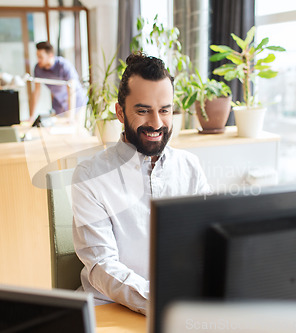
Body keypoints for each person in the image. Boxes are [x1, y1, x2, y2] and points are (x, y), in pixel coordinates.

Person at [71, 53, 211, 315]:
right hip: (111, 308)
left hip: (182, 308)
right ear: (120, 113)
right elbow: (102, 265)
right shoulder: (89, 175)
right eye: (143, 110)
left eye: (164, 110)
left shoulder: (190, 167)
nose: (156, 123)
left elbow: (207, 243)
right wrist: (162, 303)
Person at [30, 41, 86, 119]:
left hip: (76, 103)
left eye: (41, 57)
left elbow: (71, 91)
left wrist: (70, 116)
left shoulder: (64, 65)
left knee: (74, 127)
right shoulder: (38, 69)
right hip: (60, 104)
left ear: (50, 55)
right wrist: (31, 116)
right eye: (37, 57)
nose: (38, 60)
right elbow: (37, 92)